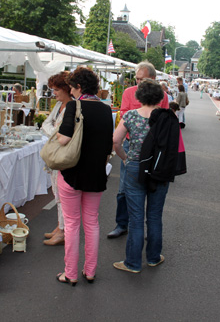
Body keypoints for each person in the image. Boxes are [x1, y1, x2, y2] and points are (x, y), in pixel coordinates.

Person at [55, 67, 113, 285]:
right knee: (92, 222)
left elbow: (63, 139)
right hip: (96, 174)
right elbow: (108, 145)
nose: (70, 90)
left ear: (79, 86)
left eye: (71, 86)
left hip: (72, 172)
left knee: (71, 223)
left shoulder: (74, 106)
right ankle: (90, 271)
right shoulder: (106, 110)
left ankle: (70, 273)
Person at [112, 79, 174, 273]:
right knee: (155, 216)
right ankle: (154, 257)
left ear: (138, 97)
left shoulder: (130, 116)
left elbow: (115, 141)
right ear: (160, 97)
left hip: (135, 168)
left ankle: (133, 262)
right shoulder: (167, 117)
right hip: (159, 170)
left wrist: (125, 158)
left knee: (136, 218)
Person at [107, 62, 170, 239]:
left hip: (153, 147)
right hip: (130, 143)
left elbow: (163, 118)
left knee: (151, 186)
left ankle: (151, 229)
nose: (139, 82)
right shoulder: (129, 92)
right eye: (137, 79)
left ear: (153, 78)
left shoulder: (162, 95)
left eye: (143, 79)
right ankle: (122, 224)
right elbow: (124, 112)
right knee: (123, 188)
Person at [41, 71, 73, 246]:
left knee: (61, 194)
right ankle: (60, 226)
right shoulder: (59, 106)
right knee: (56, 192)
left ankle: (63, 230)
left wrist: (53, 132)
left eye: (56, 90)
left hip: (61, 155)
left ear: (66, 89)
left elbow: (61, 133)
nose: (54, 93)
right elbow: (46, 124)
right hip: (55, 152)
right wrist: (55, 132)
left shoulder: (71, 108)